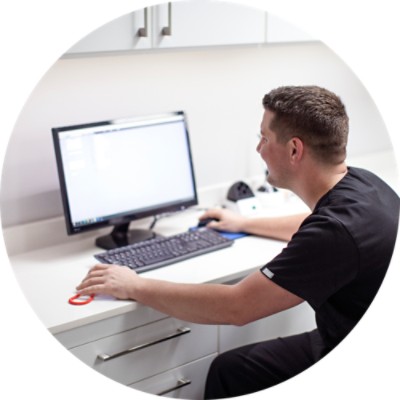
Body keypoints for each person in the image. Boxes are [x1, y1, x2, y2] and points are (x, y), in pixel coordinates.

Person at [76, 86, 399, 399]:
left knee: (229, 371)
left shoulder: (333, 233)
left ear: (294, 150)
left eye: (264, 137)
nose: (259, 148)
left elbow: (237, 306)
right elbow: (315, 226)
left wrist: (134, 286)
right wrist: (242, 223)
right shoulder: (363, 184)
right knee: (233, 370)